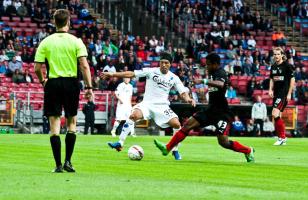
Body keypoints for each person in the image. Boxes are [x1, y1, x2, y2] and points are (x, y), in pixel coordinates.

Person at [154, 53, 255, 163]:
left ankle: (248, 150)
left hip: (222, 113)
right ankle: (167, 148)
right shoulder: (212, 73)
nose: (206, 67)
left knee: (223, 142)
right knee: (187, 125)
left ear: (215, 64)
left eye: (208, 64)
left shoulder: (221, 72)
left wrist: (202, 81)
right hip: (210, 110)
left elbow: (220, 84)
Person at [101, 52, 195, 160]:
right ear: (159, 63)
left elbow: (183, 92)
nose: (164, 65)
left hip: (162, 107)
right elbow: (131, 74)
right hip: (147, 104)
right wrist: (113, 74)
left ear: (170, 64)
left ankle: (175, 150)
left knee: (177, 124)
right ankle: (120, 142)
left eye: (166, 63)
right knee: (133, 116)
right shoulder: (150, 71)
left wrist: (188, 99)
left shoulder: (174, 78)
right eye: (162, 62)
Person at [34, 9, 93, 173]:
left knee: (54, 124)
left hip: (52, 83)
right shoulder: (76, 41)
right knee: (71, 122)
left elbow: (37, 67)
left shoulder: (46, 42)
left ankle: (58, 165)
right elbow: (84, 65)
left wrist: (42, 81)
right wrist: (89, 87)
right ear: (68, 22)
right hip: (71, 83)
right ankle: (68, 161)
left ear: (54, 22)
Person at [269, 47, 295, 145]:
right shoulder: (273, 66)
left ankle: (282, 138)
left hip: (283, 94)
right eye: (275, 54)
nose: (276, 56)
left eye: (278, 54)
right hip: (276, 93)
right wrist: (270, 89)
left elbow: (292, 79)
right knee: (277, 115)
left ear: (282, 55)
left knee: (274, 113)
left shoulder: (287, 66)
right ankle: (282, 137)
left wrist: (289, 93)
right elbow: (272, 78)